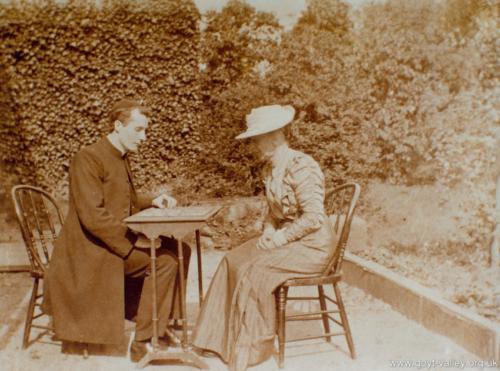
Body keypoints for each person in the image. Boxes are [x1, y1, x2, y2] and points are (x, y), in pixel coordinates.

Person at [44, 99, 191, 362]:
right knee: (166, 260)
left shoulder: (118, 157)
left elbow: (123, 199)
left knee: (182, 249)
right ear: (117, 126)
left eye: (146, 130)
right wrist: (137, 242)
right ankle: (144, 341)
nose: (144, 137)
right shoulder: (88, 157)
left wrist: (153, 200)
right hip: (90, 252)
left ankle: (162, 322)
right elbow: (94, 217)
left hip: (107, 243)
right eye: (138, 130)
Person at [192, 104, 336, 371]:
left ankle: (252, 349)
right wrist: (270, 230)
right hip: (289, 237)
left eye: (255, 139)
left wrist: (280, 238)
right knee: (232, 259)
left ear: (274, 137)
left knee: (255, 270)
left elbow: (314, 218)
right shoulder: (270, 169)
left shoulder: (302, 166)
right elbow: (273, 212)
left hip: (313, 245)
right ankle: (215, 340)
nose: (252, 145)